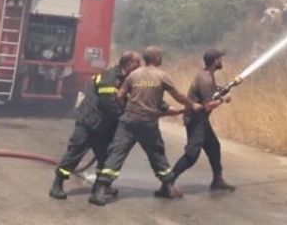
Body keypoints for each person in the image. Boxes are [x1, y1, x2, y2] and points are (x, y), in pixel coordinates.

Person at [89, 45, 203, 206]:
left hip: (128, 121)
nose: (162, 58)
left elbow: (120, 96)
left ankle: (100, 190)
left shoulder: (133, 75)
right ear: (156, 58)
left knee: (116, 154)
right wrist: (192, 105)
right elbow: (178, 95)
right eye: (161, 56)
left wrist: (125, 111)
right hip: (148, 123)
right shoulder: (162, 76)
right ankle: (168, 187)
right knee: (157, 154)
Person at [49, 50, 143, 200]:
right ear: (130, 63)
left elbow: (139, 97)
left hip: (104, 126)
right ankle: (57, 186)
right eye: (138, 62)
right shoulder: (110, 77)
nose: (140, 66)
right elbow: (109, 103)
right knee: (74, 154)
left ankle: (100, 187)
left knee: (105, 158)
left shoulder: (126, 78)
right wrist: (123, 120)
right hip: (89, 122)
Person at [169, 49, 237, 192]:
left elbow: (212, 94)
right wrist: (224, 99)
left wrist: (225, 89)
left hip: (201, 120)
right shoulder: (205, 79)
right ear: (215, 61)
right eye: (220, 59)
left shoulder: (206, 75)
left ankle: (218, 180)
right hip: (195, 120)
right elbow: (207, 106)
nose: (221, 61)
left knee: (214, 147)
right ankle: (169, 182)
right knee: (192, 154)